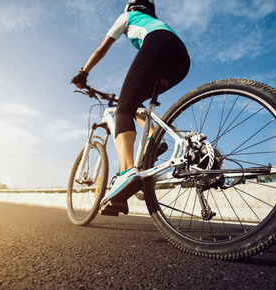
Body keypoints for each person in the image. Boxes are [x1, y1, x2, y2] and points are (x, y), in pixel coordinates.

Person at [71, 0, 190, 213]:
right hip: (181, 58)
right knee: (135, 104)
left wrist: (83, 73)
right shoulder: (154, 21)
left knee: (123, 109)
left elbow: (101, 49)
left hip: (158, 44)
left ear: (130, 7)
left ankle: (127, 172)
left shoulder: (128, 16)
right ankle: (154, 138)